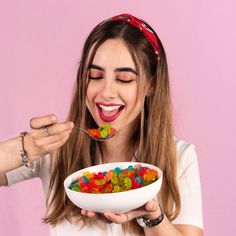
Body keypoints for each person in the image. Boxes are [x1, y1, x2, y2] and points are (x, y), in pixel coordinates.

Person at [0, 13, 203, 235]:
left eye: (124, 79)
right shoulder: (56, 150)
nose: (106, 92)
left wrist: (152, 214)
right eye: (95, 76)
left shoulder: (179, 156)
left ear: (151, 85)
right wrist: (27, 147)